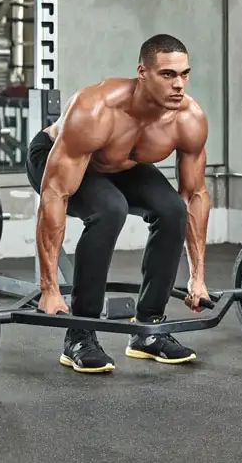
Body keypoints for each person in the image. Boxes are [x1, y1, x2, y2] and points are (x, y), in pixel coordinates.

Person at [25, 34, 212, 374]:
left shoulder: (188, 119)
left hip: (122, 165)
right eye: (168, 75)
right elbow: (55, 194)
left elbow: (195, 196)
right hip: (54, 158)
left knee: (171, 210)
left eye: (185, 74)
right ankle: (80, 335)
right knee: (110, 210)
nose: (179, 85)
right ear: (143, 73)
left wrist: (198, 277)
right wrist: (49, 288)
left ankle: (148, 330)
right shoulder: (97, 109)